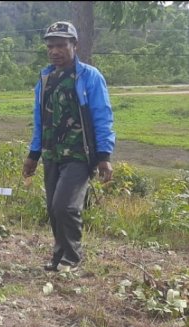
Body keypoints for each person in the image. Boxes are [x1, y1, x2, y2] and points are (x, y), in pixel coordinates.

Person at [22, 21, 115, 272]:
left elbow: (102, 115)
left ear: (75, 45)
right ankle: (59, 256)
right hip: (52, 153)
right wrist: (34, 154)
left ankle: (72, 257)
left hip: (79, 154)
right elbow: (40, 118)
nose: (55, 51)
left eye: (61, 45)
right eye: (50, 46)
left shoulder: (89, 76)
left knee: (66, 205)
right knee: (53, 208)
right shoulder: (46, 78)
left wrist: (104, 155)